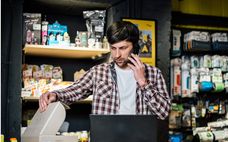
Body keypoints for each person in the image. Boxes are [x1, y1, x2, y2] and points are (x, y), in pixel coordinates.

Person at [39, 21, 170, 119]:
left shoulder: (154, 74)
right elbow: (76, 90)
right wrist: (55, 95)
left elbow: (163, 112)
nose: (116, 55)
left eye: (123, 48)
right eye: (113, 48)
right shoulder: (98, 72)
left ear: (135, 47)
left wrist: (143, 82)